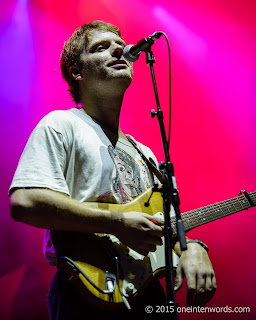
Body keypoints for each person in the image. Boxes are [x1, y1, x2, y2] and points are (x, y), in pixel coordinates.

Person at [9, 21, 216, 319]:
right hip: (88, 293)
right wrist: (118, 223)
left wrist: (193, 247)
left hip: (148, 294)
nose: (119, 49)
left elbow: (166, 227)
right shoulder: (62, 125)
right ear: (76, 72)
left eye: (119, 45)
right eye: (101, 47)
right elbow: (25, 202)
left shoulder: (144, 152)